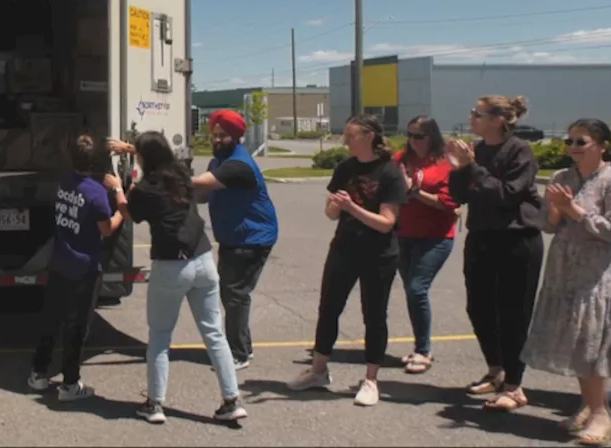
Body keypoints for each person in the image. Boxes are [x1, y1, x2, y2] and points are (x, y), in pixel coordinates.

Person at [107, 131, 248, 424]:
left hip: (171, 266)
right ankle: (231, 399)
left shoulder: (145, 189)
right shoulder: (181, 173)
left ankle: (155, 404)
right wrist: (132, 148)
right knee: (214, 333)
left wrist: (118, 188)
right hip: (203, 260)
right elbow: (160, 155)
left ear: (144, 158)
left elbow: (129, 214)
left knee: (160, 336)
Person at [522, 118, 611, 446]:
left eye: (580, 141)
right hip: (564, 269)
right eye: (569, 141)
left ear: (602, 146)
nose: (572, 148)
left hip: (598, 274)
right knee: (577, 340)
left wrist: (574, 209)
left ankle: (600, 413)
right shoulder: (560, 177)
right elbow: (548, 225)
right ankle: (590, 406)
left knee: (591, 340)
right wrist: (555, 211)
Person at [288, 115, 405, 407]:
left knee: (374, 315)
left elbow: (386, 223)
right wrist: (335, 207)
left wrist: (352, 207)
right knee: (329, 308)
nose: (345, 140)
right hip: (344, 248)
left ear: (368, 137)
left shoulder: (390, 173)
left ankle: (370, 380)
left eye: (351, 135)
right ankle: (318, 371)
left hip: (379, 254)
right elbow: (331, 214)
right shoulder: (345, 168)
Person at [446, 95, 543, 412]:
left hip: (516, 239)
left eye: (478, 113)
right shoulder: (480, 151)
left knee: (513, 313)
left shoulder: (520, 151)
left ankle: (515, 386)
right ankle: (496, 369)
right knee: (479, 307)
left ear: (499, 119)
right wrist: (460, 169)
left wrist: (472, 167)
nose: (471, 117)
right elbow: (459, 195)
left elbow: (508, 194)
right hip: (482, 237)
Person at [27, 134, 127, 401]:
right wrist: (119, 208)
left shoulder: (65, 181)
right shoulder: (96, 194)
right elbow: (106, 231)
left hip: (60, 260)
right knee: (77, 326)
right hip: (84, 266)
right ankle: (70, 384)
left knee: (52, 319)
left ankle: (38, 373)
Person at [196, 109, 278, 370]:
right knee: (232, 293)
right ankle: (243, 347)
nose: (217, 139)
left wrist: (164, 182)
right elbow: (202, 193)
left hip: (252, 238)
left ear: (237, 136)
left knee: (235, 294)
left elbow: (198, 182)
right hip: (234, 238)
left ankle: (238, 353)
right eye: (215, 134)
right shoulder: (218, 162)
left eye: (223, 135)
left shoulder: (239, 165)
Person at [393, 116, 459, 376]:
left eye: (419, 136)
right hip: (403, 234)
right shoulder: (400, 159)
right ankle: (419, 346)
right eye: (409, 135)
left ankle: (424, 350)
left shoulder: (445, 164)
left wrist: (414, 191)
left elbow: (448, 204)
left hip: (436, 236)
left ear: (432, 136)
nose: (413, 141)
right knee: (412, 291)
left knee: (417, 288)